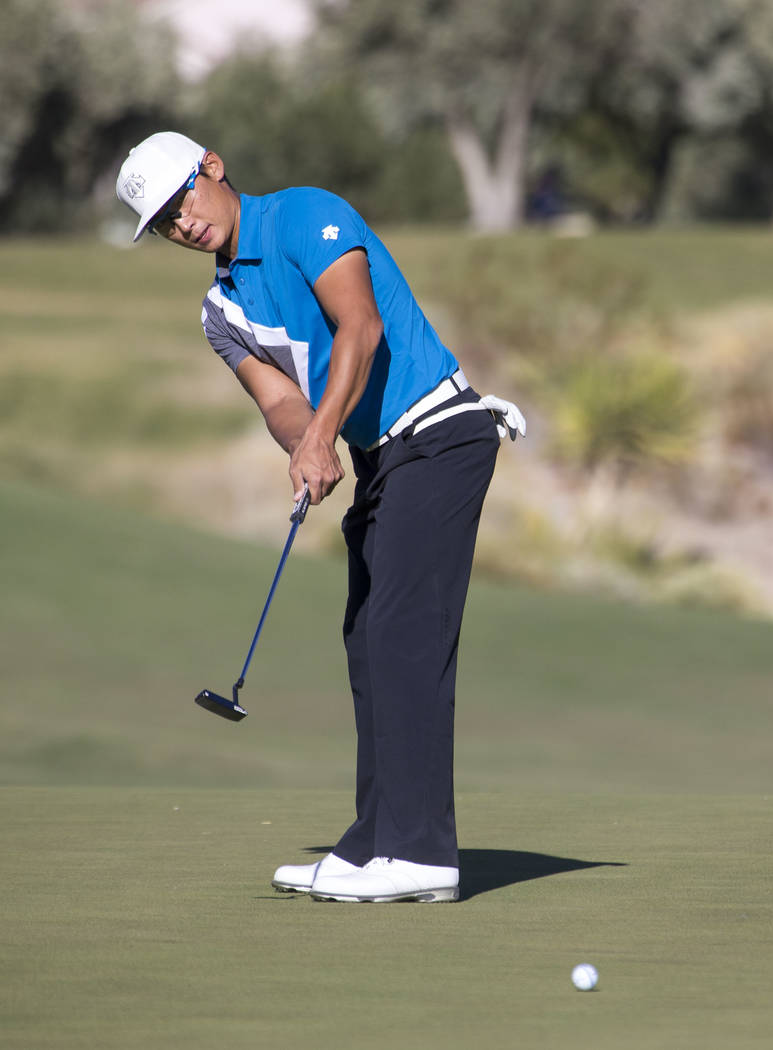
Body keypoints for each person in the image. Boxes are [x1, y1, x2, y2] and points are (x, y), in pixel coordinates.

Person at [116, 131, 525, 903]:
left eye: (181, 200)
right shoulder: (220, 310)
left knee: (401, 630)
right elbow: (277, 399)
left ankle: (420, 852)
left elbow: (360, 327)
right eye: (163, 223)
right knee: (368, 639)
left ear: (212, 167)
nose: (182, 223)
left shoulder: (304, 216)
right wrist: (305, 442)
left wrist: (321, 432)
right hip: (382, 458)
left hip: (440, 433)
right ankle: (377, 842)